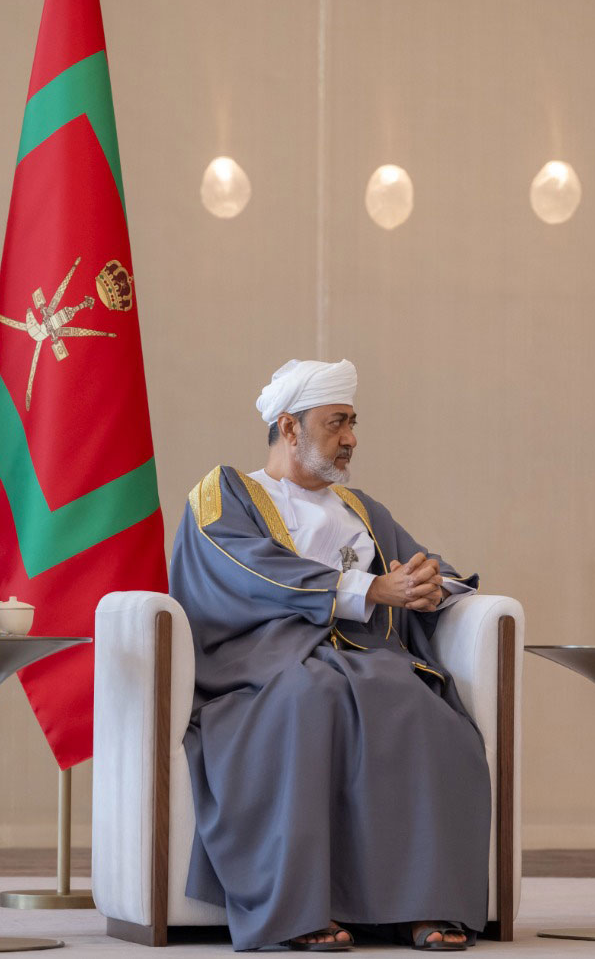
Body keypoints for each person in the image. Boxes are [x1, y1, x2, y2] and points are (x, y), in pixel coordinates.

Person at [169, 358, 488, 952]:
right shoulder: (225, 493)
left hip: (366, 661)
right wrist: (371, 589)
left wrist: (430, 585)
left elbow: (422, 565)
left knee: (421, 708)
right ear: (290, 428)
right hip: (262, 668)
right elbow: (249, 570)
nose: (351, 439)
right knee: (310, 695)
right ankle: (299, 908)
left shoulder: (360, 508)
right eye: (336, 422)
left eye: (352, 423)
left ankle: (421, 904)